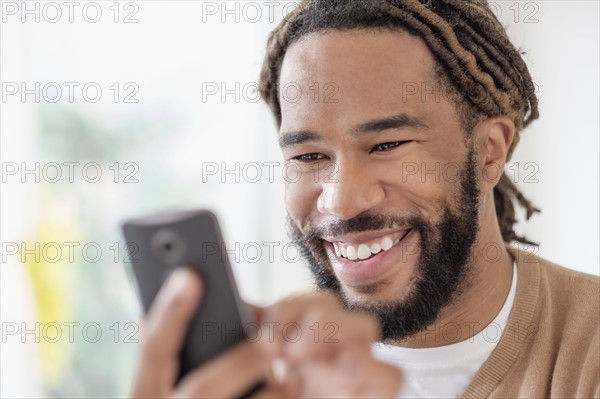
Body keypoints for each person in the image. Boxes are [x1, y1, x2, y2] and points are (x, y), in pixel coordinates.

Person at [130, 1, 600, 398]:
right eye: (309, 155)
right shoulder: (268, 370)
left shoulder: (586, 349)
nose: (341, 201)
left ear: (490, 150)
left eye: (386, 145)